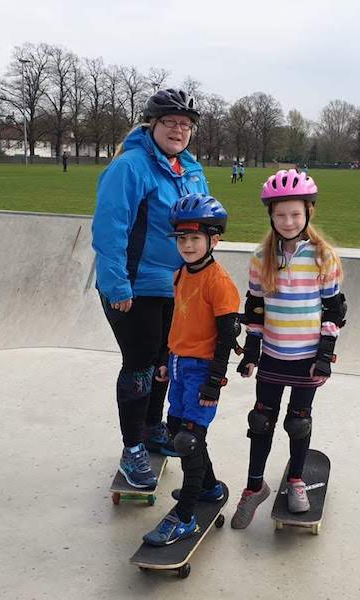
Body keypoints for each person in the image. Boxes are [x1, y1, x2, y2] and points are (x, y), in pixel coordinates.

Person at [92, 88, 208, 489]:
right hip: (134, 286)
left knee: (164, 364)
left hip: (176, 286)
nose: (179, 130)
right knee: (140, 366)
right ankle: (132, 449)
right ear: (151, 125)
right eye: (171, 122)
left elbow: (201, 220)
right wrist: (116, 285)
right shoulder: (131, 167)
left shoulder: (190, 169)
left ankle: (153, 428)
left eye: (185, 125)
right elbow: (109, 229)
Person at [230, 169, 346, 529]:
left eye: (295, 213)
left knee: (298, 423)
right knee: (261, 421)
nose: (288, 221)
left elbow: (334, 309)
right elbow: (255, 309)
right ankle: (253, 487)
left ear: (309, 212)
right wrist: (251, 352)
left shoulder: (323, 257)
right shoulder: (260, 258)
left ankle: (296, 480)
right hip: (273, 356)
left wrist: (325, 355)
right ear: (271, 216)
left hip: (307, 359)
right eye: (280, 214)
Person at [142, 193, 241, 545]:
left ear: (214, 239)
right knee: (176, 432)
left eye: (195, 238)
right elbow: (179, 322)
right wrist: (166, 359)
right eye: (182, 238)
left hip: (202, 372)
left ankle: (184, 517)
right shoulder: (182, 273)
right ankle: (209, 488)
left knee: (188, 440)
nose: (186, 245)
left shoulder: (220, 283)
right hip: (180, 366)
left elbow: (227, 335)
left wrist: (214, 381)